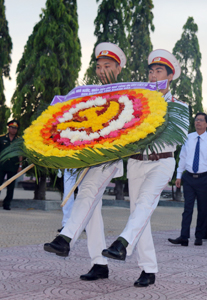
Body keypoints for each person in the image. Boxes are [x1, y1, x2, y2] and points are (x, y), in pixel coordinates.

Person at [101, 49, 189, 287]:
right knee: (140, 215)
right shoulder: (135, 103)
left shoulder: (179, 106)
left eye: (158, 71)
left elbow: (178, 136)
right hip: (137, 162)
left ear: (170, 76)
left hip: (162, 161)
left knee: (145, 204)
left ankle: (121, 243)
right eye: (150, 71)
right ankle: (148, 269)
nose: (153, 75)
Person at [43, 42, 126, 281]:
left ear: (118, 68)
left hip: (108, 158)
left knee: (87, 193)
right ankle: (100, 264)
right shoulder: (88, 92)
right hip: (84, 159)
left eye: (107, 66)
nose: (101, 71)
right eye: (99, 66)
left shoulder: (129, 93)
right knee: (93, 212)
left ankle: (65, 238)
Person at [168, 112, 207, 247]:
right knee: (187, 208)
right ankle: (184, 237)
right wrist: (178, 175)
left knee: (203, 209)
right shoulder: (188, 138)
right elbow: (183, 157)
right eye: (196, 120)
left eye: (201, 120)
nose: (198, 122)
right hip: (189, 178)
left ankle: (199, 236)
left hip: (205, 179)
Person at [0, 120, 23, 210]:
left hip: (13, 166)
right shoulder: (1, 138)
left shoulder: (18, 140)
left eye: (15, 128)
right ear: (8, 128)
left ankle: (7, 204)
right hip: (1, 165)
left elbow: (20, 153)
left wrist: (20, 166)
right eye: (12, 128)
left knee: (11, 186)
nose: (13, 130)